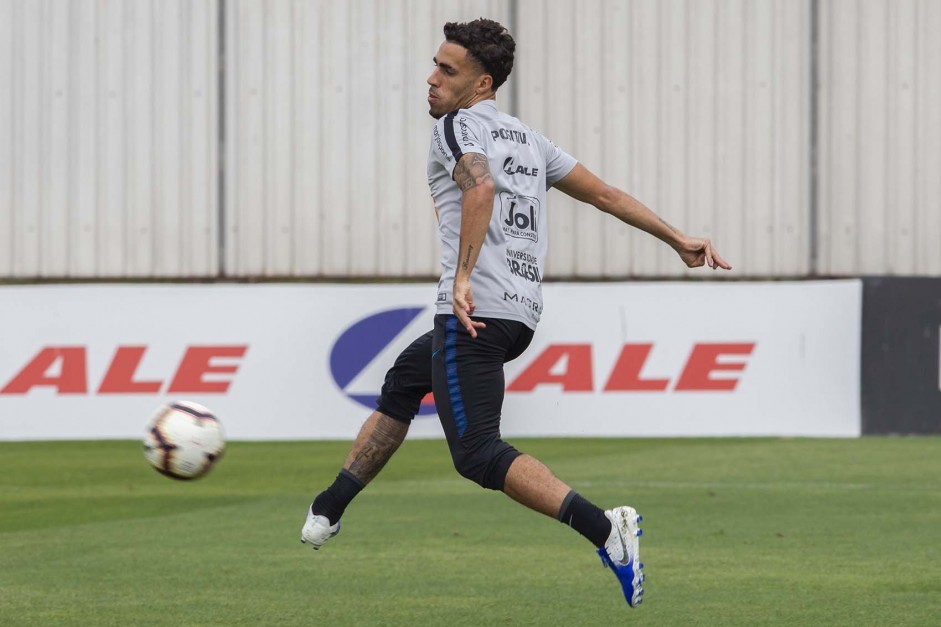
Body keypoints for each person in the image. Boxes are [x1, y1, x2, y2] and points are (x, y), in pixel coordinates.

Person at [302, 18, 731, 608]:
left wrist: (459, 280)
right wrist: (676, 237)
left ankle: (608, 530)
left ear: (481, 84)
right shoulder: (529, 140)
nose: (431, 79)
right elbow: (604, 194)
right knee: (404, 383)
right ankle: (331, 505)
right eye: (434, 64)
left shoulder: (456, 129)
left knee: (477, 454)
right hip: (519, 312)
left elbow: (479, 191)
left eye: (446, 71)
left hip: (473, 312)